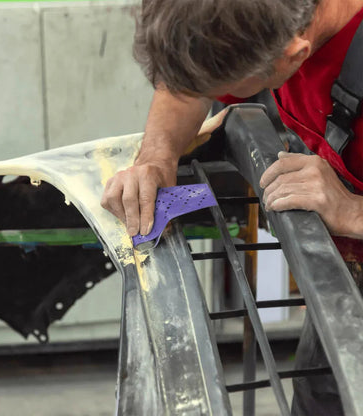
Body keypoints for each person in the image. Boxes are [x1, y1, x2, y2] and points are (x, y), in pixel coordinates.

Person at [101, 0, 363, 414]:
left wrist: (351, 210)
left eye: (221, 88)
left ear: (294, 55)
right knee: (325, 397)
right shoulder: (275, 24)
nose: (208, 94)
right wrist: (157, 155)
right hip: (348, 278)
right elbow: (188, 83)